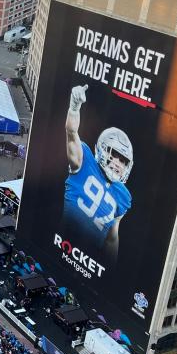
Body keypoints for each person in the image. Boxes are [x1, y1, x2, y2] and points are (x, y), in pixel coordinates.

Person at [63, 85, 133, 263]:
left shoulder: (124, 196)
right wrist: (74, 108)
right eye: (114, 155)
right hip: (64, 239)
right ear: (102, 150)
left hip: (91, 256)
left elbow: (112, 238)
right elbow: (71, 133)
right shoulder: (84, 160)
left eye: (123, 160)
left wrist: (110, 272)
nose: (118, 163)